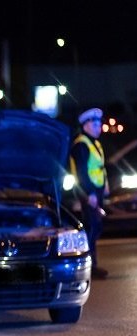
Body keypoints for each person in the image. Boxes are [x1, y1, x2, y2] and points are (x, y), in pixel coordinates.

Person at [69, 107, 110, 280]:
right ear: (85, 125)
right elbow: (82, 172)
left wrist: (105, 186)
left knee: (95, 227)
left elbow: (99, 167)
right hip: (88, 193)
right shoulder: (81, 144)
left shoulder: (95, 143)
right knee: (91, 228)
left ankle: (91, 264)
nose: (98, 126)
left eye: (99, 123)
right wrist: (91, 193)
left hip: (97, 191)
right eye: (94, 123)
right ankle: (90, 266)